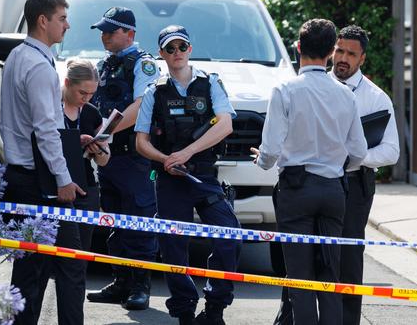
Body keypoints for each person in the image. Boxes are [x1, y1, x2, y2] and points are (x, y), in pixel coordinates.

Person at [250, 19, 367, 325]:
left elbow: (271, 149)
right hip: (333, 189)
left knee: (300, 279)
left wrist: (261, 161)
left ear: (298, 48)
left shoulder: (285, 89)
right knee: (330, 275)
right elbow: (359, 153)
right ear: (331, 52)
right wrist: (338, 165)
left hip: (296, 188)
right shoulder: (347, 95)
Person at [135, 25, 242, 325]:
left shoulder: (210, 84)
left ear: (190, 49)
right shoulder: (154, 92)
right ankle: (184, 311)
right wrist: (165, 159)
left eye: (182, 47)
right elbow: (140, 142)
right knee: (173, 248)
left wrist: (187, 153)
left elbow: (224, 125)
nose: (177, 53)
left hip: (203, 176)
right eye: (170, 49)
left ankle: (214, 308)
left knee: (229, 237)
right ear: (162, 54)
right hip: (169, 179)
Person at [0, 0, 86, 325]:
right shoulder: (37, 65)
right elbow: (45, 130)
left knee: (30, 267)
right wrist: (63, 178)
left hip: (24, 174)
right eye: (62, 18)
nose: (67, 25)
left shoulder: (20, 56)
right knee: (68, 262)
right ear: (42, 20)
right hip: (40, 180)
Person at [85, 6, 159, 311]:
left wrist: (103, 133)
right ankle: (122, 281)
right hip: (109, 157)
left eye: (110, 31)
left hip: (133, 157)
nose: (104, 36)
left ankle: (140, 286)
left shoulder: (143, 65)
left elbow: (143, 105)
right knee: (114, 220)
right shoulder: (105, 64)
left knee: (139, 221)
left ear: (129, 33)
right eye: (103, 30)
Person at [330, 25, 399, 325]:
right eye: (339, 51)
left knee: (348, 259)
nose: (343, 58)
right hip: (315, 180)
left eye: (351, 54)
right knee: (308, 255)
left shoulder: (376, 98)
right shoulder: (314, 86)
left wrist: (357, 158)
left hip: (355, 185)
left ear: (363, 59)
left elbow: (391, 151)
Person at [61, 58, 110, 251]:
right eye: (82, 92)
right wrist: (75, 141)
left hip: (85, 188)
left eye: (92, 93)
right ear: (67, 83)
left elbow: (105, 160)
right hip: (56, 186)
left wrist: (97, 149)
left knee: (79, 255)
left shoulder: (91, 113)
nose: (87, 98)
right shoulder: (50, 107)